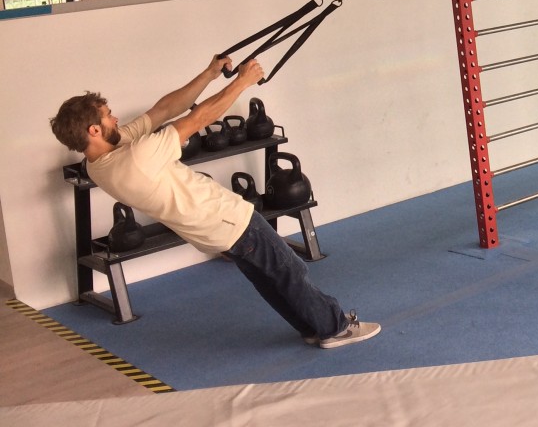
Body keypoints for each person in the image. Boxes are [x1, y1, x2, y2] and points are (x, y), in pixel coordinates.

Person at [50, 55, 381, 348]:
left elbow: (163, 109)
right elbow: (197, 120)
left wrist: (209, 74)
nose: (116, 118)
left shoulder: (98, 162)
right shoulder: (135, 158)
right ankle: (335, 328)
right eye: (109, 116)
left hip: (209, 228)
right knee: (289, 269)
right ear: (94, 130)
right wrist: (243, 82)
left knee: (269, 277)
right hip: (225, 218)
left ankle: (312, 327)